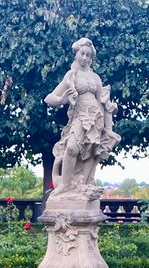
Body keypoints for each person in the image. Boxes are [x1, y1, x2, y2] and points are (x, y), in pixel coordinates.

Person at [45, 37, 120, 193]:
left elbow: (104, 103)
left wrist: (109, 128)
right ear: (76, 53)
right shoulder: (71, 76)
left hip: (96, 118)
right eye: (82, 54)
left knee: (92, 151)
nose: (85, 58)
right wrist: (62, 99)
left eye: (88, 55)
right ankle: (66, 184)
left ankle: (83, 185)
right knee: (72, 148)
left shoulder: (95, 78)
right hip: (80, 116)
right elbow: (50, 98)